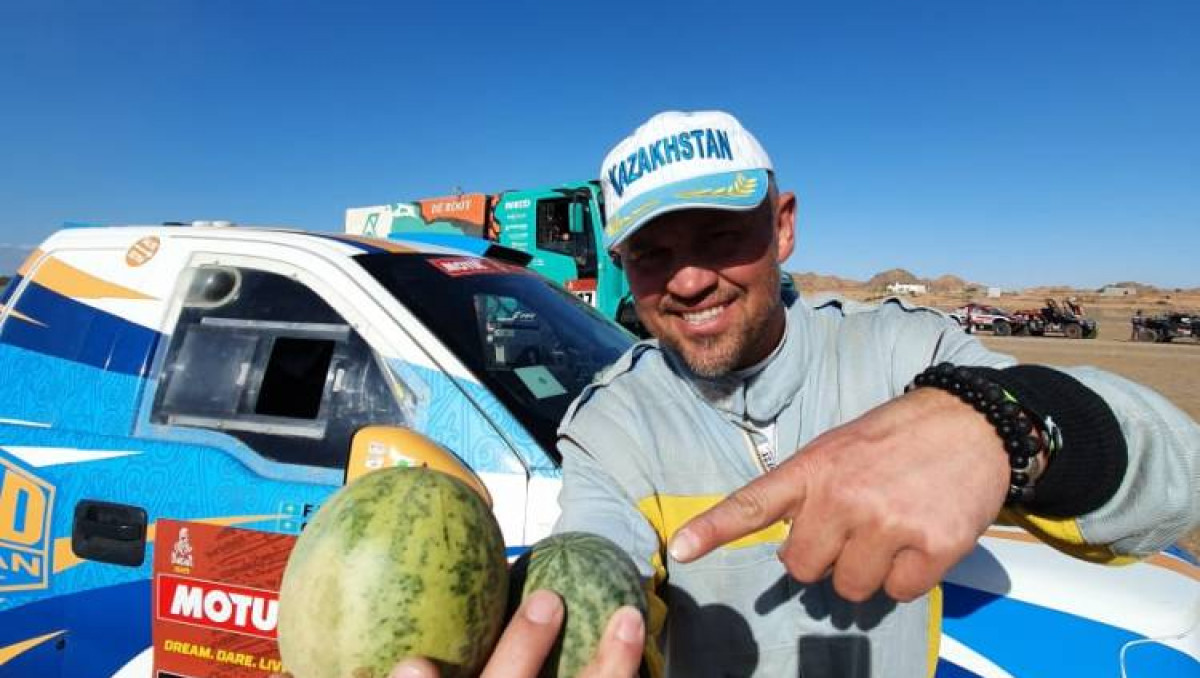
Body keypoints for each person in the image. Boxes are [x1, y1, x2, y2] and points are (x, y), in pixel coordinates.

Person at [396, 110, 1200, 678]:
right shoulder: (613, 423)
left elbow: (1173, 473)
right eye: (650, 253)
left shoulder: (903, 355)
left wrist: (1003, 424)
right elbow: (598, 562)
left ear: (782, 226)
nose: (687, 280)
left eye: (719, 236)